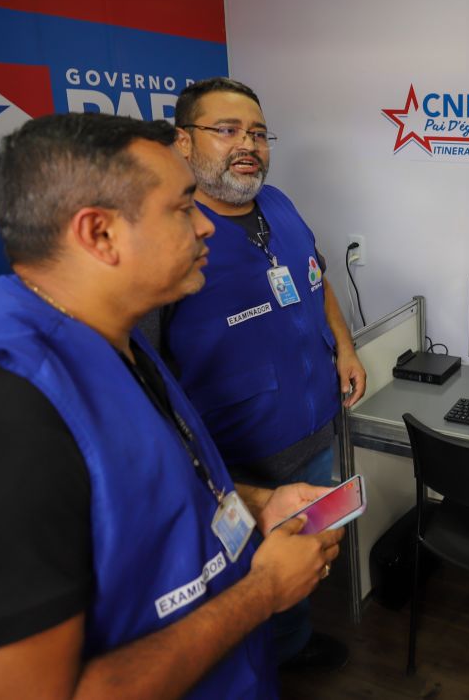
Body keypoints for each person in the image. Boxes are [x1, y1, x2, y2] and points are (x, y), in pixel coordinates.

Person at [0, 114, 343, 699]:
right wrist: (262, 593)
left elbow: (136, 495)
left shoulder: (110, 337)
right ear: (99, 234)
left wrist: (257, 505)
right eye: (183, 207)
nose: (206, 226)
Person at [157, 77, 366, 670]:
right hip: (235, 463)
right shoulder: (172, 233)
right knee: (240, 577)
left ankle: (293, 647)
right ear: (183, 141)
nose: (247, 144)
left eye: (257, 133)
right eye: (226, 130)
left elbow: (316, 278)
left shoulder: (278, 205)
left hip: (313, 433)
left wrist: (345, 347)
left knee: (300, 556)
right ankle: (254, 670)